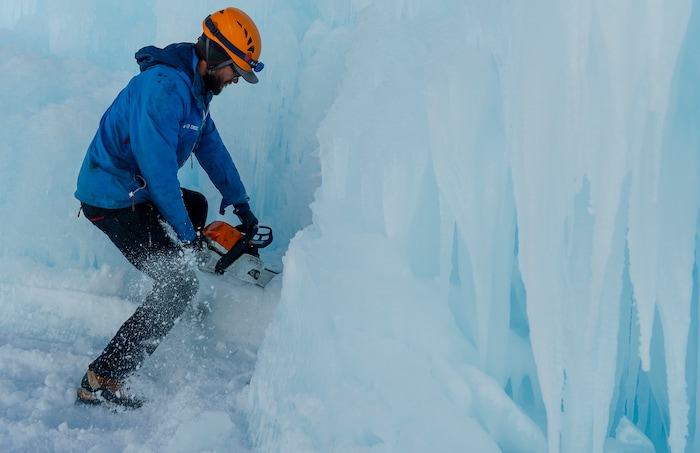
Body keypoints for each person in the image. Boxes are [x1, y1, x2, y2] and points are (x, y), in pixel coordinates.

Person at [74, 7, 264, 409]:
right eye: (235, 71)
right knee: (180, 282)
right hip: (109, 200)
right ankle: (101, 379)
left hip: (133, 193)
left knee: (194, 203)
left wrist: (241, 203)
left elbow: (213, 150)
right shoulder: (163, 87)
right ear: (216, 57)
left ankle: (172, 287)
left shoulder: (196, 93)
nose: (234, 80)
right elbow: (159, 175)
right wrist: (187, 236)